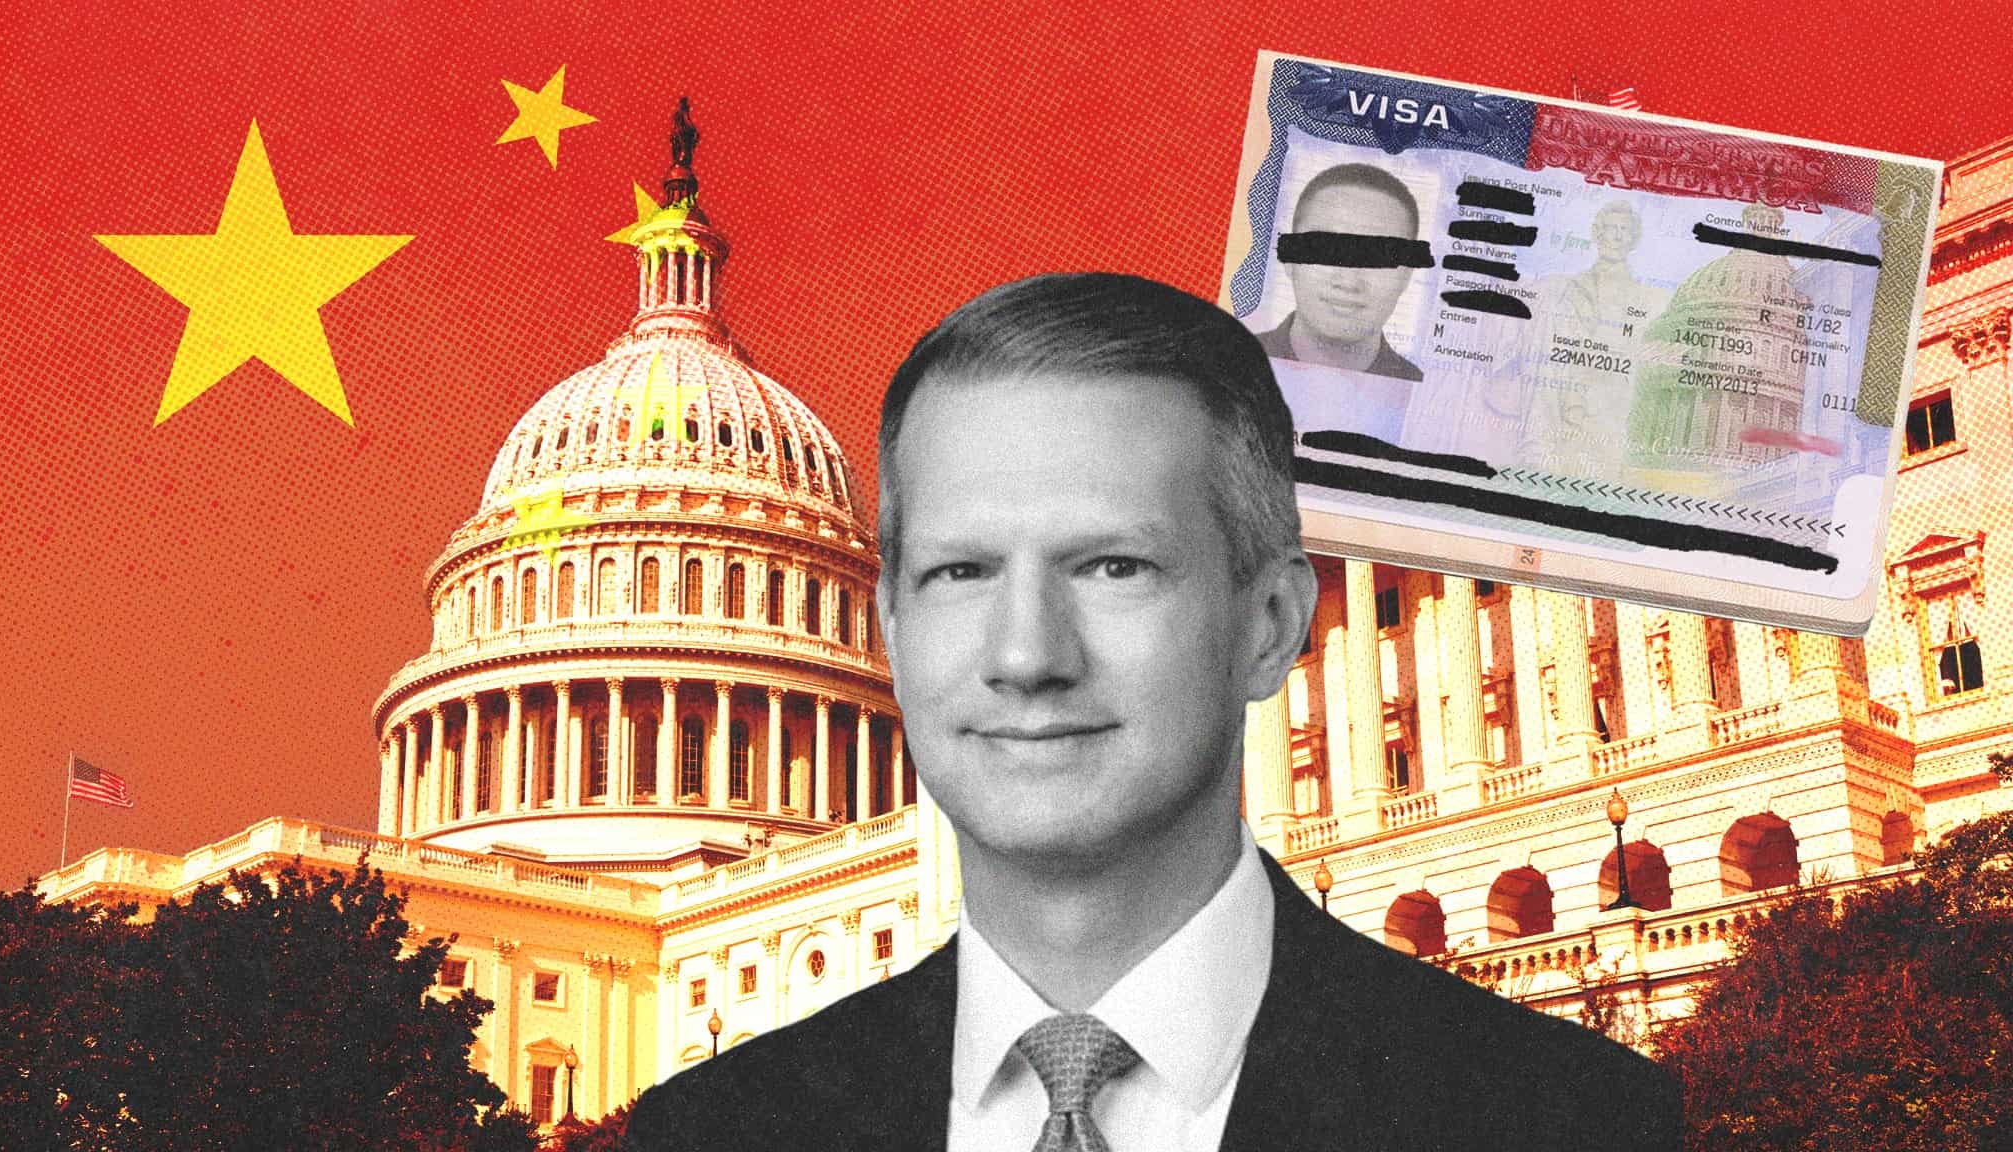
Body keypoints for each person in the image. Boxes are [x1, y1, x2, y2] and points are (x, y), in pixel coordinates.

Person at [622, 273, 1681, 1151]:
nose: (1027, 654)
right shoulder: (708, 1134)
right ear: (888, 635)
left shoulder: (1568, 1120)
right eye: (960, 572)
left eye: (1113, 565)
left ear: (1269, 623)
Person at [1259, 162, 1426, 383]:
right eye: (1327, 248)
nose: (1348, 281)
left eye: (1378, 257)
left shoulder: (1428, 399)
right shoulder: (1218, 365)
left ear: (1407, 275)